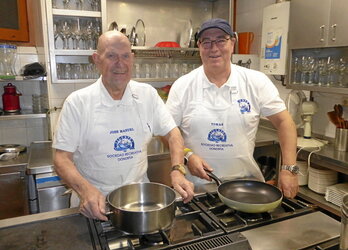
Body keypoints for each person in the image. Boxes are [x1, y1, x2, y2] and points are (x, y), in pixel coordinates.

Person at [53, 30, 194, 221]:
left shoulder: (147, 95)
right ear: (97, 59)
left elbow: (173, 134)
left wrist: (177, 170)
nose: (120, 63)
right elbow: (61, 158)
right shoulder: (77, 102)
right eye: (111, 56)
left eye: (125, 56)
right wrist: (86, 191)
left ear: (132, 59)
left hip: (140, 201)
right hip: (95, 203)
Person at [166, 18, 298, 198]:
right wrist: (187, 156)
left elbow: (285, 122)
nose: (214, 48)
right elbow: (166, 132)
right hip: (195, 189)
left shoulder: (256, 81)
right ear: (199, 46)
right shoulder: (183, 85)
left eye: (221, 39)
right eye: (207, 41)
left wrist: (288, 169)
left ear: (232, 43)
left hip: (245, 186)